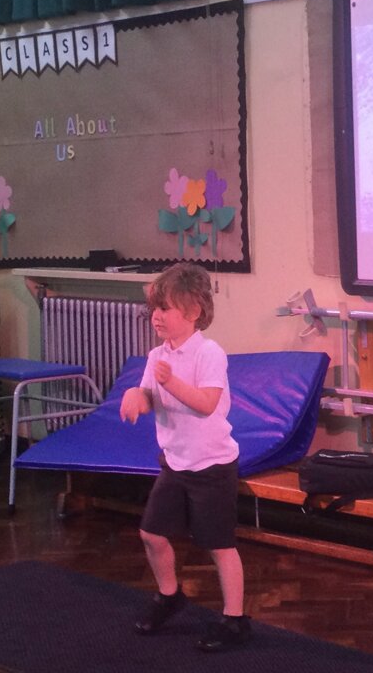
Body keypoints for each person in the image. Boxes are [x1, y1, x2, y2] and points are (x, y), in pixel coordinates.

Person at [119, 262, 250, 652]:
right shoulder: (156, 355)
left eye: (166, 308)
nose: (156, 316)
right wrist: (136, 397)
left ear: (193, 311)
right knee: (151, 534)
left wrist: (170, 381)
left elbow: (207, 403)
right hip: (175, 463)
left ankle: (235, 619)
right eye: (154, 309)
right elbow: (149, 395)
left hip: (212, 467)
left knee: (219, 545)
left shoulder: (209, 353)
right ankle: (170, 595)